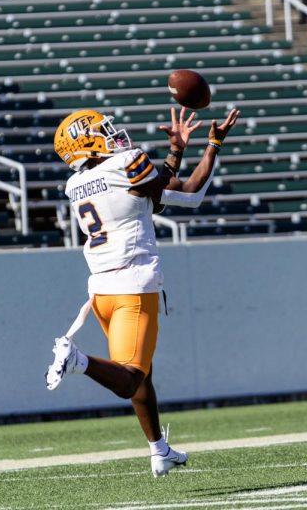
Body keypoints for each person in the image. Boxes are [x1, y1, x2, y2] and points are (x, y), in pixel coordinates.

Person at [46, 106, 241, 477]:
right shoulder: (128, 162)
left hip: (101, 293)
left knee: (143, 375)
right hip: (134, 287)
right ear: (85, 142)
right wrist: (214, 144)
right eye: (102, 130)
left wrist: (175, 151)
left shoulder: (76, 184)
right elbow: (188, 195)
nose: (112, 133)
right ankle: (78, 361)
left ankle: (159, 449)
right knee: (131, 376)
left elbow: (149, 186)